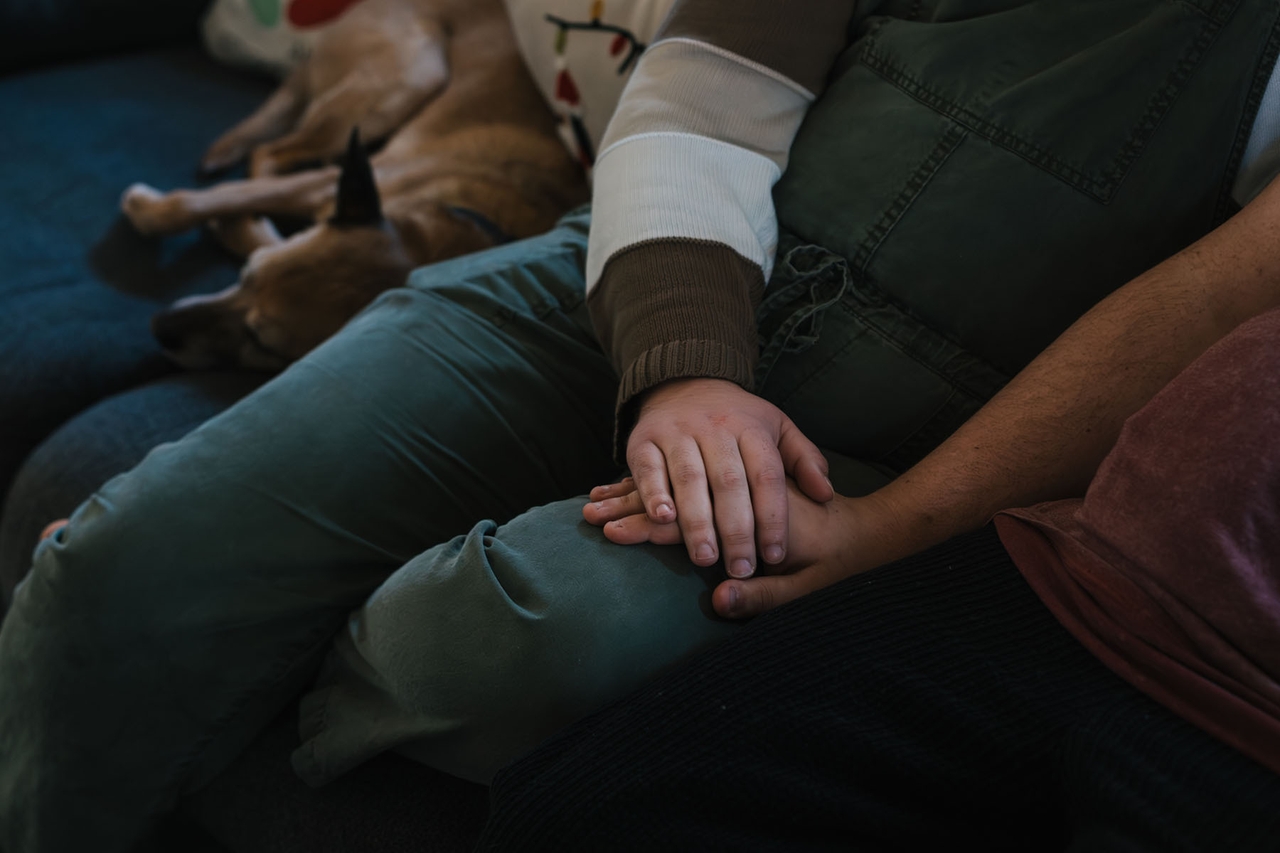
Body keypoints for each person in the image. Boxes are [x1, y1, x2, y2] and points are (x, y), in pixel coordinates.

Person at [1, 1, 1277, 851]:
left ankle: (251, 656)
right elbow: (697, 101)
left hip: (927, 439)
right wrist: (681, 371)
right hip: (624, 280)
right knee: (127, 569)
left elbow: (1220, 303)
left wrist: (898, 527)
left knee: (494, 643)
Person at [476, 172, 1280, 852]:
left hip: (1242, 735)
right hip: (1073, 571)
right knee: (561, 815)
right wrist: (885, 524)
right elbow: (1217, 287)